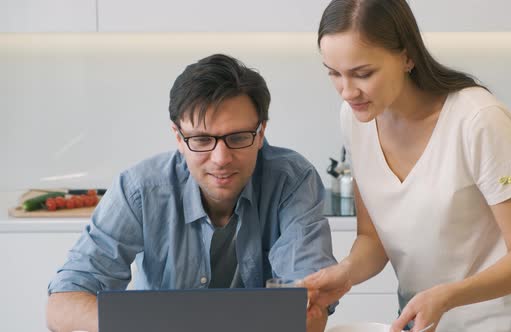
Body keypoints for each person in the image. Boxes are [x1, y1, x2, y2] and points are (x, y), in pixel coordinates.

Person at [303, 1, 511, 331]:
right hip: (419, 321)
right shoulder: (355, 120)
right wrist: (346, 271)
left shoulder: (478, 120)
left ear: (407, 56)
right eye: (334, 73)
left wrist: (447, 296)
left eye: (363, 74)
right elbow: (372, 239)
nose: (347, 91)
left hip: (498, 323)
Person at [46, 54, 336, 332]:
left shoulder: (292, 181)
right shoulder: (140, 189)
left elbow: (311, 302)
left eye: (237, 137)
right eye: (201, 139)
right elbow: (62, 304)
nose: (221, 158)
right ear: (178, 138)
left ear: (260, 133)